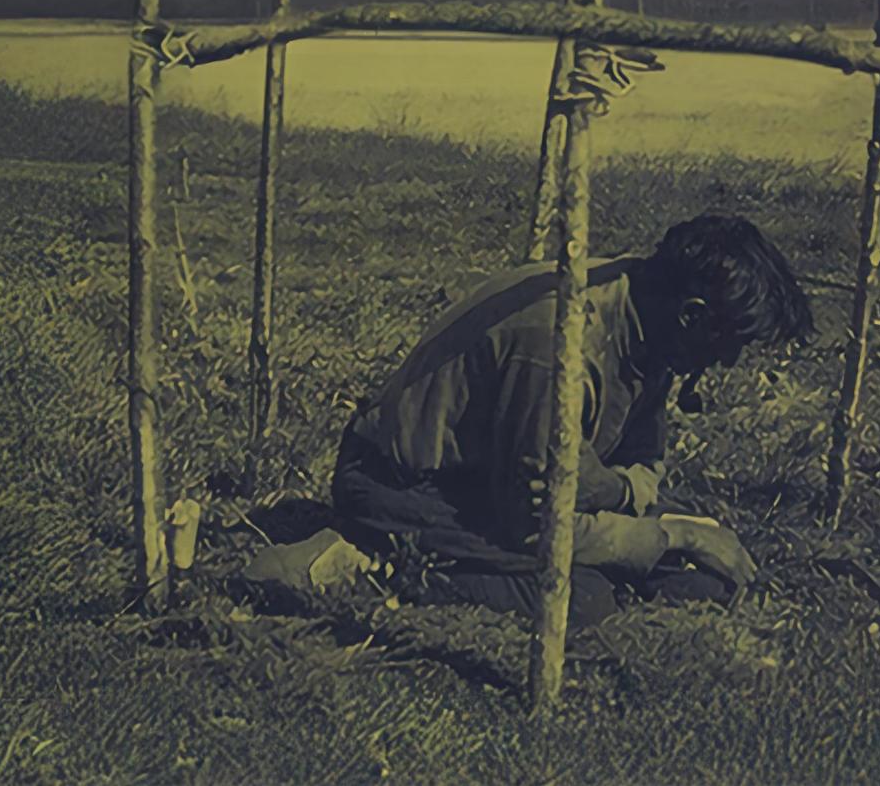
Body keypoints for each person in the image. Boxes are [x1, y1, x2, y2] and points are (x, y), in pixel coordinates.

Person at [324, 213, 814, 629]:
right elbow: (539, 528)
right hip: (409, 487)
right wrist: (676, 534)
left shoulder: (654, 318)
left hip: (518, 485)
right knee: (583, 600)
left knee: (703, 574)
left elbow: (644, 461)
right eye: (732, 345)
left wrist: (616, 492)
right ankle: (379, 564)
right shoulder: (560, 345)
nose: (728, 362)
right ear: (694, 316)